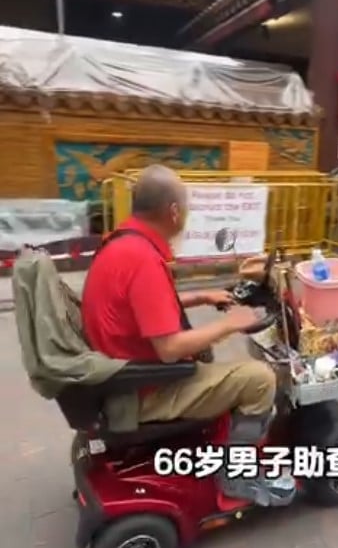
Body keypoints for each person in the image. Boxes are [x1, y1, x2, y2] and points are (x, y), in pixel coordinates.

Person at [82, 164, 296, 507]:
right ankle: (238, 478)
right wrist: (230, 324)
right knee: (260, 379)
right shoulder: (142, 260)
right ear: (173, 211)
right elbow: (169, 348)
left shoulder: (120, 245)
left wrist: (201, 296)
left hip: (123, 377)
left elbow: (137, 307)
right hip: (145, 390)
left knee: (212, 356)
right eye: (186, 208)